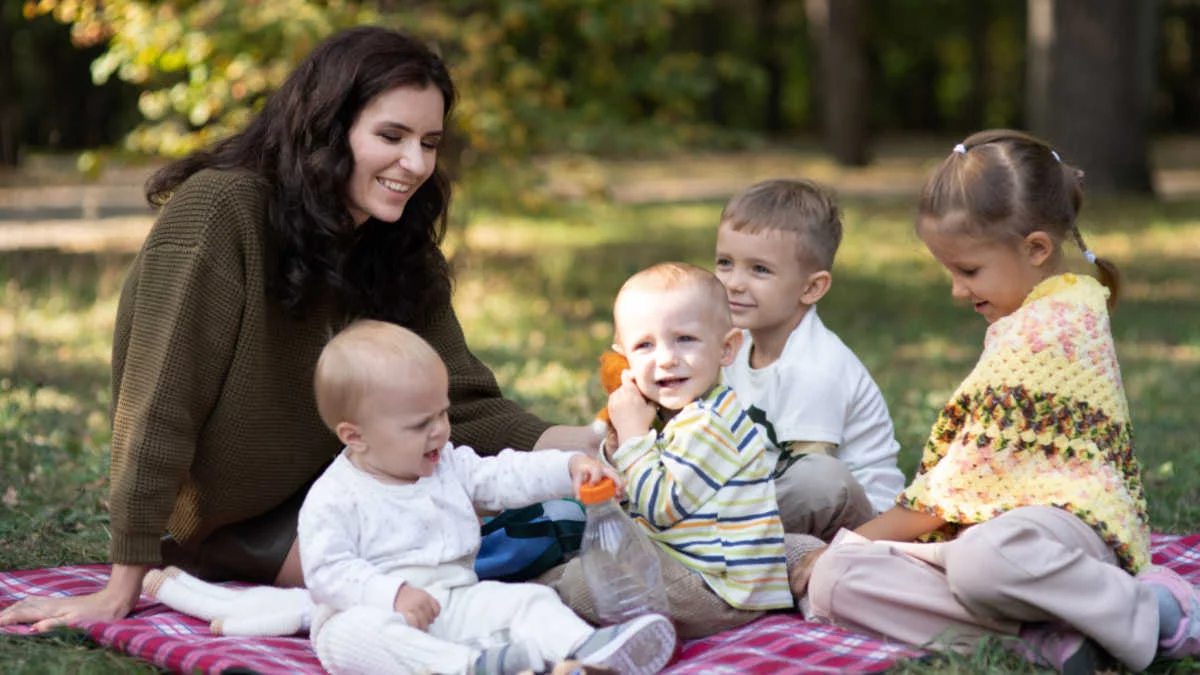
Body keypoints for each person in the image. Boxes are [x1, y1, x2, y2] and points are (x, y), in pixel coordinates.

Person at [0, 26, 599, 632]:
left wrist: (609, 443)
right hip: (241, 523)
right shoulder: (219, 211)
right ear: (326, 128)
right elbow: (158, 406)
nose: (415, 164)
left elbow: (463, 405)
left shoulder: (396, 243)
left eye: (430, 142)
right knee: (444, 574)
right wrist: (117, 588)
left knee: (572, 506)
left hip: (366, 477)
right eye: (391, 136)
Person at [794, 130, 1200, 674]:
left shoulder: (1055, 329)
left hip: (1060, 534)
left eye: (968, 270)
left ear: (1036, 249)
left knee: (982, 562)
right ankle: (1052, 646)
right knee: (835, 581)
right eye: (950, 271)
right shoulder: (1025, 315)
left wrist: (851, 539)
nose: (957, 290)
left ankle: (1155, 611)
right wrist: (841, 557)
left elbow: (943, 500)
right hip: (985, 537)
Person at [300, 320, 675, 675]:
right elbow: (326, 571)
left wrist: (567, 468)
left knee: (529, 601)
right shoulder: (335, 496)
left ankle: (587, 652)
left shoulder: (447, 463)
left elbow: (504, 475)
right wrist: (391, 594)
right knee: (350, 636)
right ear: (355, 436)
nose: (439, 431)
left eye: (443, 413)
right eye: (419, 424)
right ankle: (467, 667)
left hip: (455, 601)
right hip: (379, 612)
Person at [543, 262, 813, 639]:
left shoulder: (708, 424)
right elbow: (629, 490)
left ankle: (559, 609)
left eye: (685, 339)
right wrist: (618, 445)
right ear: (624, 361)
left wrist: (635, 435)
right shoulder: (671, 413)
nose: (666, 358)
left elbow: (659, 508)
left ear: (726, 348)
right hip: (698, 562)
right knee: (586, 563)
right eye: (645, 345)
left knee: (582, 584)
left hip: (719, 590)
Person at [714, 178, 905, 537]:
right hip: (778, 500)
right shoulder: (736, 346)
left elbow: (809, 483)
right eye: (725, 263)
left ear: (812, 287)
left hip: (861, 521)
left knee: (816, 478)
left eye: (759, 269)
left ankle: (709, 536)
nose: (734, 282)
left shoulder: (815, 367)